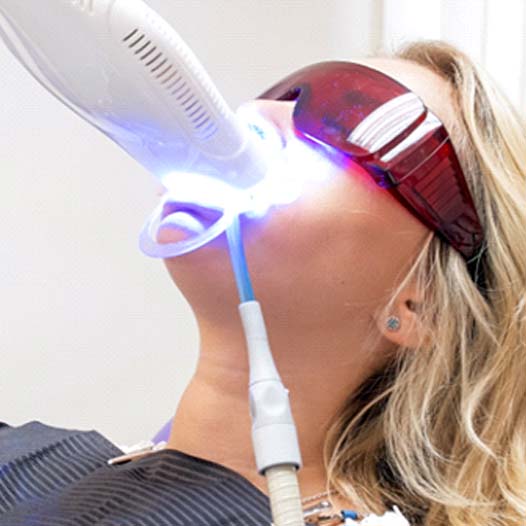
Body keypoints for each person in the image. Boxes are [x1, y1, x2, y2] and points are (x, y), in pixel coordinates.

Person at [2, 39, 525, 526]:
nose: (252, 114)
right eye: (281, 93)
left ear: (422, 306)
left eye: (350, 116)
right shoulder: (37, 458)